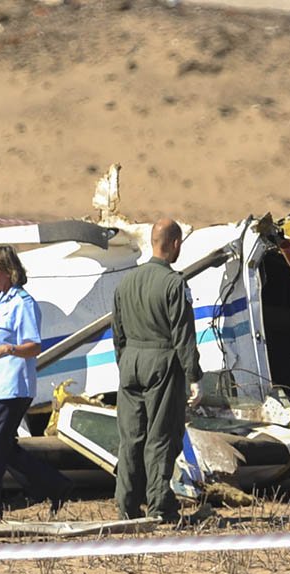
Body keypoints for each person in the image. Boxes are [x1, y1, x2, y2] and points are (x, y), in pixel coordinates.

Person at [0, 245, 72, 519]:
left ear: (7, 272)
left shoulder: (23, 304)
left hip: (12, 387)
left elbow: (34, 345)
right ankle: (55, 485)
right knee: (3, 448)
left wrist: (8, 349)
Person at [111, 219, 203, 524]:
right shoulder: (174, 284)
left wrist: (125, 363)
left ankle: (126, 506)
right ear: (175, 244)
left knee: (131, 438)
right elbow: (183, 336)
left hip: (130, 363)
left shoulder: (126, 282)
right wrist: (194, 376)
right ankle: (160, 506)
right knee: (161, 436)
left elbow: (117, 333)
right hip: (161, 362)